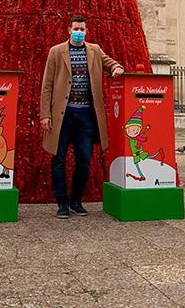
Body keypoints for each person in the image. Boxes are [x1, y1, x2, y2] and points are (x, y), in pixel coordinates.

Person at [40, 15, 124, 218]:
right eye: (76, 28)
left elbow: (110, 63)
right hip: (63, 114)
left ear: (87, 31)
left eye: (82, 29)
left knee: (84, 160)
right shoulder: (56, 52)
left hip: (86, 115)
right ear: (69, 30)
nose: (79, 32)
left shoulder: (94, 50)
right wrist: (45, 115)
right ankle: (62, 202)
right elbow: (47, 85)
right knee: (58, 159)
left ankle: (76, 200)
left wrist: (116, 68)